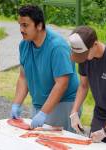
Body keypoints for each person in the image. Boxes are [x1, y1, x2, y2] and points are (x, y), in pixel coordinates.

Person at [11, 4, 81, 132]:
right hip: (39, 104)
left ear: (39, 25)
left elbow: (62, 84)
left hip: (63, 103)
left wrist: (44, 113)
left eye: (25, 25)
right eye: (20, 25)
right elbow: (23, 77)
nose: (21, 29)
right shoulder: (24, 45)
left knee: (56, 144)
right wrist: (17, 103)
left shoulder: (57, 47)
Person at [68, 26, 106, 149]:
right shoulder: (84, 58)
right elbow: (83, 86)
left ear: (95, 44)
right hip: (100, 113)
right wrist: (74, 112)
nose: (83, 58)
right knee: (95, 146)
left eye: (84, 54)